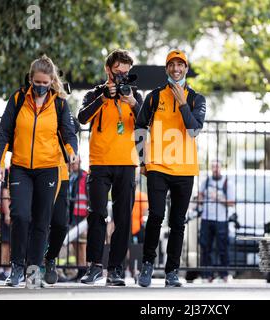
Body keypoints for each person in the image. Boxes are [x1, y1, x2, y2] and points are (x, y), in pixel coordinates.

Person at [0, 55, 78, 287]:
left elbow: (69, 132)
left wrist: (72, 152)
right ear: (31, 79)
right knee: (20, 215)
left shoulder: (60, 103)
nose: (41, 86)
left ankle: (33, 269)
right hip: (21, 167)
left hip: (48, 169)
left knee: (42, 221)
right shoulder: (18, 99)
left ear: (52, 81)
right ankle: (17, 266)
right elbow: (4, 132)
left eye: (45, 82)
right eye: (37, 82)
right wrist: (0, 163)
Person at [135, 49, 206, 287]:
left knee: (178, 221)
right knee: (155, 215)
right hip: (158, 166)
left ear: (186, 68)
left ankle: (172, 271)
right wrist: (143, 160)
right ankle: (146, 265)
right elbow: (140, 128)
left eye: (180, 65)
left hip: (185, 170)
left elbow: (194, 130)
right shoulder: (154, 97)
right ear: (167, 69)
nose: (176, 69)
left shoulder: (197, 99)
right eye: (172, 65)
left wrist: (183, 103)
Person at [78, 49, 143, 286]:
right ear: (108, 69)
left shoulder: (135, 94)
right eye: (118, 72)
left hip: (127, 162)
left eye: (126, 73)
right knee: (96, 214)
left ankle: (115, 269)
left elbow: (146, 122)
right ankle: (94, 266)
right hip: (99, 162)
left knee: (123, 217)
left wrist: (133, 103)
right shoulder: (94, 93)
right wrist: (103, 98)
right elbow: (82, 118)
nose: (121, 77)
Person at [42, 118, 80, 285]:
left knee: (60, 225)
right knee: (38, 222)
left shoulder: (61, 107)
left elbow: (76, 126)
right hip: (38, 170)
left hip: (60, 174)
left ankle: (50, 258)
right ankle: (29, 266)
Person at [198, 160, 234, 282]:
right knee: (205, 247)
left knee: (222, 247)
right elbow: (200, 195)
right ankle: (207, 274)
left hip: (221, 220)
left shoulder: (226, 183)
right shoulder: (206, 181)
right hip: (206, 218)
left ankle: (224, 274)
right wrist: (201, 199)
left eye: (217, 167)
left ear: (221, 168)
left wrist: (217, 198)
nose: (215, 169)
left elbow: (231, 203)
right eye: (213, 167)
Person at [69, 158, 88, 280]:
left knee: (81, 244)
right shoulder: (71, 177)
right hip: (72, 215)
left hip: (82, 215)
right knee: (74, 243)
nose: (73, 164)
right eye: (71, 162)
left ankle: (83, 270)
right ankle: (79, 269)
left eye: (75, 162)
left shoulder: (85, 176)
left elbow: (89, 196)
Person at [0, 168, 11, 281]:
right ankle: (3, 269)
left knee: (11, 241)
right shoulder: (8, 172)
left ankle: (7, 269)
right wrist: (7, 213)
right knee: (6, 242)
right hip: (10, 212)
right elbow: (5, 193)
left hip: (16, 211)